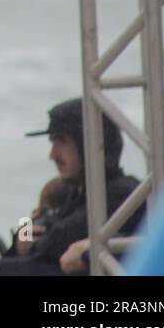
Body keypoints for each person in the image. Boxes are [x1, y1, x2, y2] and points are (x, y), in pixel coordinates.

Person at [11, 97, 146, 265]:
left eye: (61, 142)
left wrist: (36, 243)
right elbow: (41, 230)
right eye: (53, 142)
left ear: (89, 144)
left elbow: (60, 239)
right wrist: (24, 239)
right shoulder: (74, 193)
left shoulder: (124, 195)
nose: (53, 155)